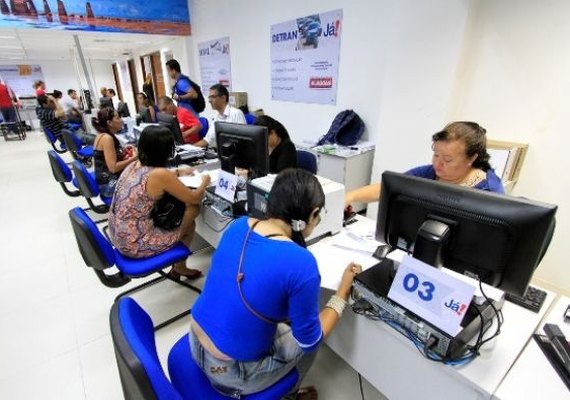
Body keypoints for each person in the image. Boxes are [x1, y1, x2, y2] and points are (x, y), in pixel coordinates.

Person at [190, 168, 362, 398]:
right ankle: (288, 393)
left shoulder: (239, 225)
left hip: (195, 343)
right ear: (312, 214)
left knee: (287, 322)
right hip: (230, 373)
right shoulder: (301, 263)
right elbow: (309, 341)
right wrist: (342, 292)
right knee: (310, 339)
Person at [108, 125, 210, 279]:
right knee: (192, 208)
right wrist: (205, 181)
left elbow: (155, 177)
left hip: (118, 237)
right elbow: (195, 197)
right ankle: (180, 267)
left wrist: (177, 172)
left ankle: (180, 267)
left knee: (185, 218)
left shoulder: (133, 165)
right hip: (135, 243)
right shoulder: (159, 174)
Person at [345, 121, 505, 207]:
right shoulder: (428, 173)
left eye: (447, 159)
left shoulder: (489, 190)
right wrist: (350, 197)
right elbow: (389, 188)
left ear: (472, 159)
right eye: (435, 154)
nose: (438, 163)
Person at [92, 107, 138, 198]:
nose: (121, 120)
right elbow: (113, 168)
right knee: (145, 184)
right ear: (109, 123)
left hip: (107, 179)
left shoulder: (104, 135)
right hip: (108, 185)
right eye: (118, 118)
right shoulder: (107, 138)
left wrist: (122, 154)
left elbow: (109, 159)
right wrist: (134, 158)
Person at [194, 84, 246, 148]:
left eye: (213, 97)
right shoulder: (217, 116)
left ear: (223, 98)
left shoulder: (236, 113)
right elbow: (207, 140)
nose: (209, 100)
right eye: (209, 97)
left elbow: (243, 141)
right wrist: (187, 149)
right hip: (217, 152)